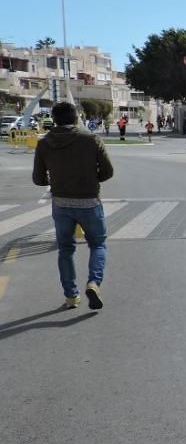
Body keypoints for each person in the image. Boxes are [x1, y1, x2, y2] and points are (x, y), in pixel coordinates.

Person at [31, 101, 113, 310]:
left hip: (61, 204)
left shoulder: (44, 143)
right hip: (89, 202)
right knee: (98, 244)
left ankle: (71, 296)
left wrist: (57, 179)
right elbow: (108, 171)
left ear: (54, 120)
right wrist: (91, 179)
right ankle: (94, 282)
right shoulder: (91, 139)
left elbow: (39, 179)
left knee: (65, 250)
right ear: (76, 118)